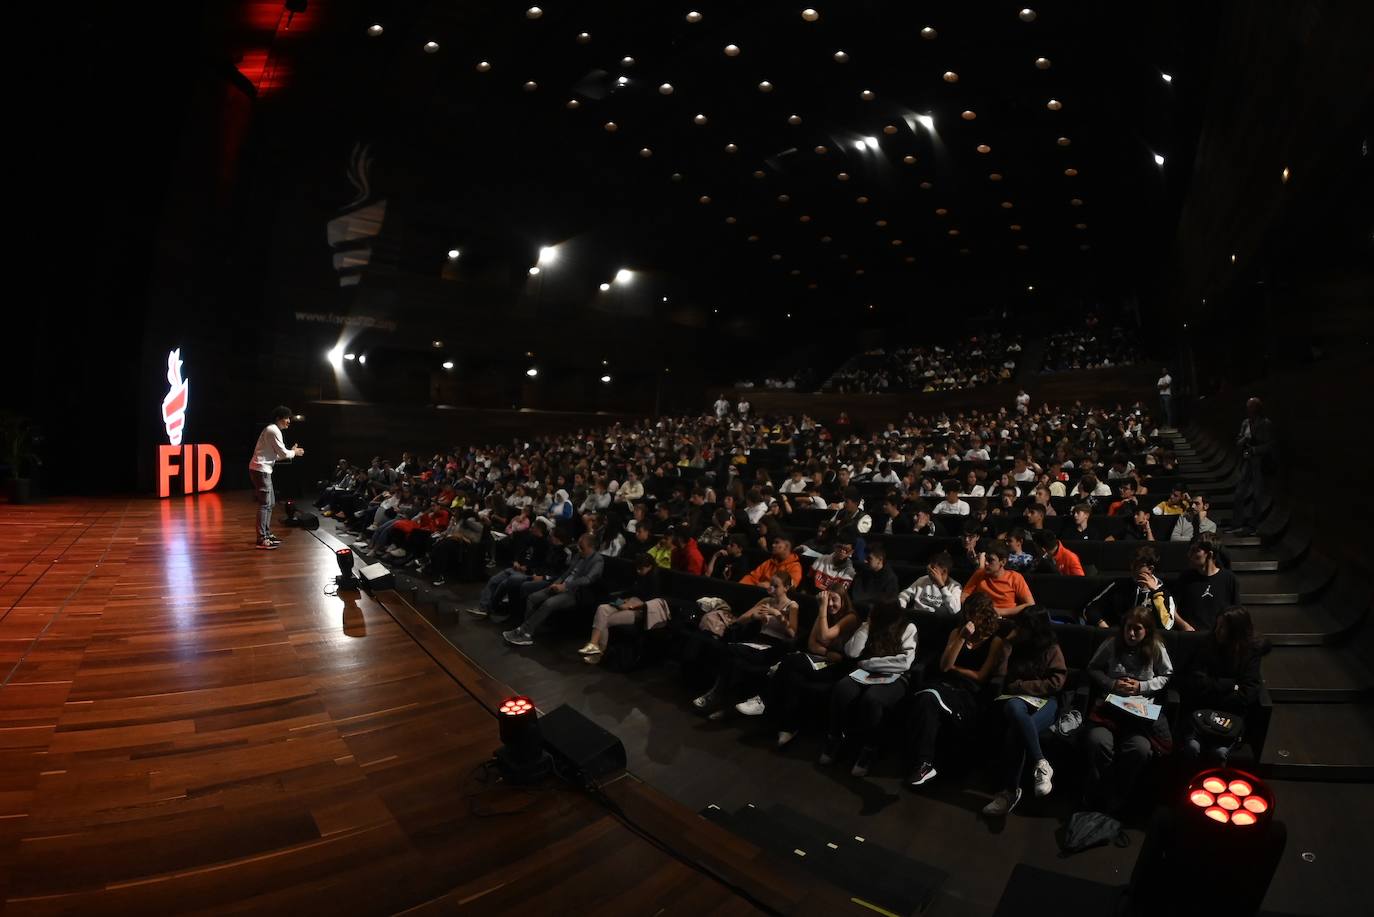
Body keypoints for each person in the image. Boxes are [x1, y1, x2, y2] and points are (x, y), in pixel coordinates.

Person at [905, 594, 1006, 788]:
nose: (968, 617)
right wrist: (962, 638)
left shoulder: (994, 641)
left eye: (973, 614)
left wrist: (956, 669)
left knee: (929, 699)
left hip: (968, 691)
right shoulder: (957, 633)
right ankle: (923, 763)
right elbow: (944, 666)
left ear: (984, 615)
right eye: (967, 613)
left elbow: (981, 676)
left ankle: (925, 763)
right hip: (945, 683)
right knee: (926, 698)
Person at [1083, 606, 1174, 814]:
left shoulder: (1156, 647)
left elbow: (1166, 675)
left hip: (1138, 714)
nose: (1131, 634)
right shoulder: (1112, 644)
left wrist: (1141, 686)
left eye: (1137, 629)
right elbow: (1093, 668)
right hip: (1110, 709)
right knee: (1098, 742)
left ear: (1147, 631)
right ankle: (1101, 791)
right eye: (1128, 628)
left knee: (1139, 750)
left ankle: (1119, 795)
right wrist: (1112, 684)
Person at [819, 599, 918, 776]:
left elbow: (904, 662)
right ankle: (834, 738)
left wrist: (869, 664)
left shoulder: (908, 628)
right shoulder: (871, 625)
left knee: (872, 699)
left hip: (895, 677)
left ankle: (869, 749)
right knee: (842, 689)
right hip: (864, 672)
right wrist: (866, 626)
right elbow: (852, 652)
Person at [984, 610, 1067, 816]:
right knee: (1013, 708)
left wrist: (1022, 686)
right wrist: (1008, 645)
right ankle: (1041, 763)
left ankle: (1008, 793)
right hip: (1017, 701)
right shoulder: (1015, 646)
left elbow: (1056, 682)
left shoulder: (1051, 649)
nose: (1017, 631)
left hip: (1045, 701)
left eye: (1022, 628)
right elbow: (1001, 675)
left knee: (1015, 731)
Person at [762, 587, 861, 745]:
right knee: (794, 675)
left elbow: (824, 636)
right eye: (827, 600)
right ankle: (788, 726)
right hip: (824, 659)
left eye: (834, 599)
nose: (830, 604)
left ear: (844, 601)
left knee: (791, 661)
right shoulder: (825, 615)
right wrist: (828, 653)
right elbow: (811, 644)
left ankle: (766, 706)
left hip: (839, 668)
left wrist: (821, 608)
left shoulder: (850, 617)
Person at [692, 575, 799, 716]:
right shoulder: (766, 601)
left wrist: (778, 614)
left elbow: (792, 632)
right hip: (758, 642)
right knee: (731, 657)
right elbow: (741, 619)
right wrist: (755, 617)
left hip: (775, 647)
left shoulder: (792, 606)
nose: (771, 588)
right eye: (770, 585)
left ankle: (716, 696)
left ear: (786, 588)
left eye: (776, 586)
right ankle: (722, 702)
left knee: (732, 652)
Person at [1176, 606, 1263, 761]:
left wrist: (1212, 690)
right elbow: (1195, 682)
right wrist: (1232, 685)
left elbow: (1248, 694)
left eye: (1222, 628)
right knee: (1192, 747)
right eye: (1217, 625)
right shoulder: (1207, 643)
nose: (1217, 631)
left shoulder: (1250, 653)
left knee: (1219, 753)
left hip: (1229, 718)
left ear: (1235, 631)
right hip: (1199, 713)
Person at [503, 533, 604, 646]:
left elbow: (587, 579)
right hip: (561, 586)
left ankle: (524, 632)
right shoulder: (579, 556)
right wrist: (556, 583)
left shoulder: (598, 560)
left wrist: (565, 586)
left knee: (548, 603)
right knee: (532, 598)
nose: (579, 549)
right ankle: (524, 631)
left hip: (575, 592)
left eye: (582, 547)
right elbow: (566, 573)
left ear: (591, 547)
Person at [579, 554, 671, 664]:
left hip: (639, 610)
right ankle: (593, 644)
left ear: (650, 567)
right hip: (628, 602)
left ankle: (598, 653)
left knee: (603, 620)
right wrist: (621, 601)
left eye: (641, 569)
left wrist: (631, 605)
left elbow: (651, 603)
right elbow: (629, 592)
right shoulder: (639, 577)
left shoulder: (655, 581)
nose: (638, 571)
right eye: (637, 568)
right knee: (601, 609)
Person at [247, 405, 304, 549]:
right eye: (286, 418)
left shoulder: (272, 430)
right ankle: (261, 539)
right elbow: (284, 454)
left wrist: (290, 451)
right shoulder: (273, 430)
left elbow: (275, 456)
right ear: (279, 418)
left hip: (263, 470)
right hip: (261, 470)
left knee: (270, 503)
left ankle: (266, 533)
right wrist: (293, 453)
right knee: (265, 504)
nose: (289, 421)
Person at [1085, 545, 1176, 630]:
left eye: (1137, 566)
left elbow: (1167, 625)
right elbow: (1090, 608)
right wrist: (1105, 628)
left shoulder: (1164, 592)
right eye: (1132, 565)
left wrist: (1156, 592)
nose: (1132, 570)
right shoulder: (1119, 585)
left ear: (1150, 569)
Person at [1227, 397, 1275, 536]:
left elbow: (1270, 444)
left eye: (1250, 407)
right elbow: (1238, 441)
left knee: (1257, 496)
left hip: (1259, 463)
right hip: (1247, 462)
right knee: (1239, 493)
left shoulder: (1266, 424)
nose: (1248, 410)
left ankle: (1253, 526)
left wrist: (1254, 450)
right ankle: (1237, 524)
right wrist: (1245, 439)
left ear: (1257, 408)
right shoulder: (1245, 423)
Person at [1172, 536, 1239, 632]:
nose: (1189, 555)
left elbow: (1236, 611)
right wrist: (1184, 625)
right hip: (1191, 637)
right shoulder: (1185, 577)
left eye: (1195, 550)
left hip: (1216, 638)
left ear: (1210, 554)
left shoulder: (1228, 578)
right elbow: (1172, 607)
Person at [961, 542, 1035, 617]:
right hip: (982, 617)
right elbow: (964, 596)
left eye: (990, 560)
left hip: (1008, 619)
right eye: (986, 559)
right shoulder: (979, 574)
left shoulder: (1015, 578)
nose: (986, 563)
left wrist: (1000, 612)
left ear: (1003, 562)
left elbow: (1030, 604)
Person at [898, 551, 963, 617]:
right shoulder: (923, 579)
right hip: (917, 616)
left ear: (944, 571)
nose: (929, 571)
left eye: (933, 569)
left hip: (937, 621)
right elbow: (904, 595)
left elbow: (955, 610)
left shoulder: (955, 586)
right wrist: (901, 608)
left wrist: (941, 586)